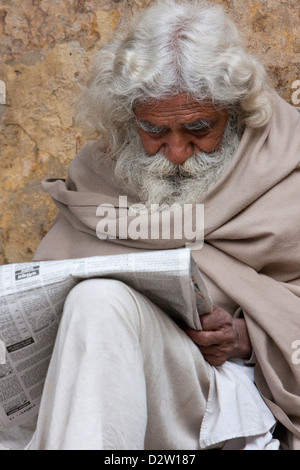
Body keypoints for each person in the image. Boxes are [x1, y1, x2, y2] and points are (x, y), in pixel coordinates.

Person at [3, 0, 300, 450]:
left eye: (200, 128)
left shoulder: (286, 163)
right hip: (107, 389)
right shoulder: (101, 171)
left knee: (100, 303)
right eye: (154, 130)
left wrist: (246, 337)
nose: (177, 152)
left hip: (231, 391)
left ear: (235, 110)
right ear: (127, 117)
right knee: (98, 302)